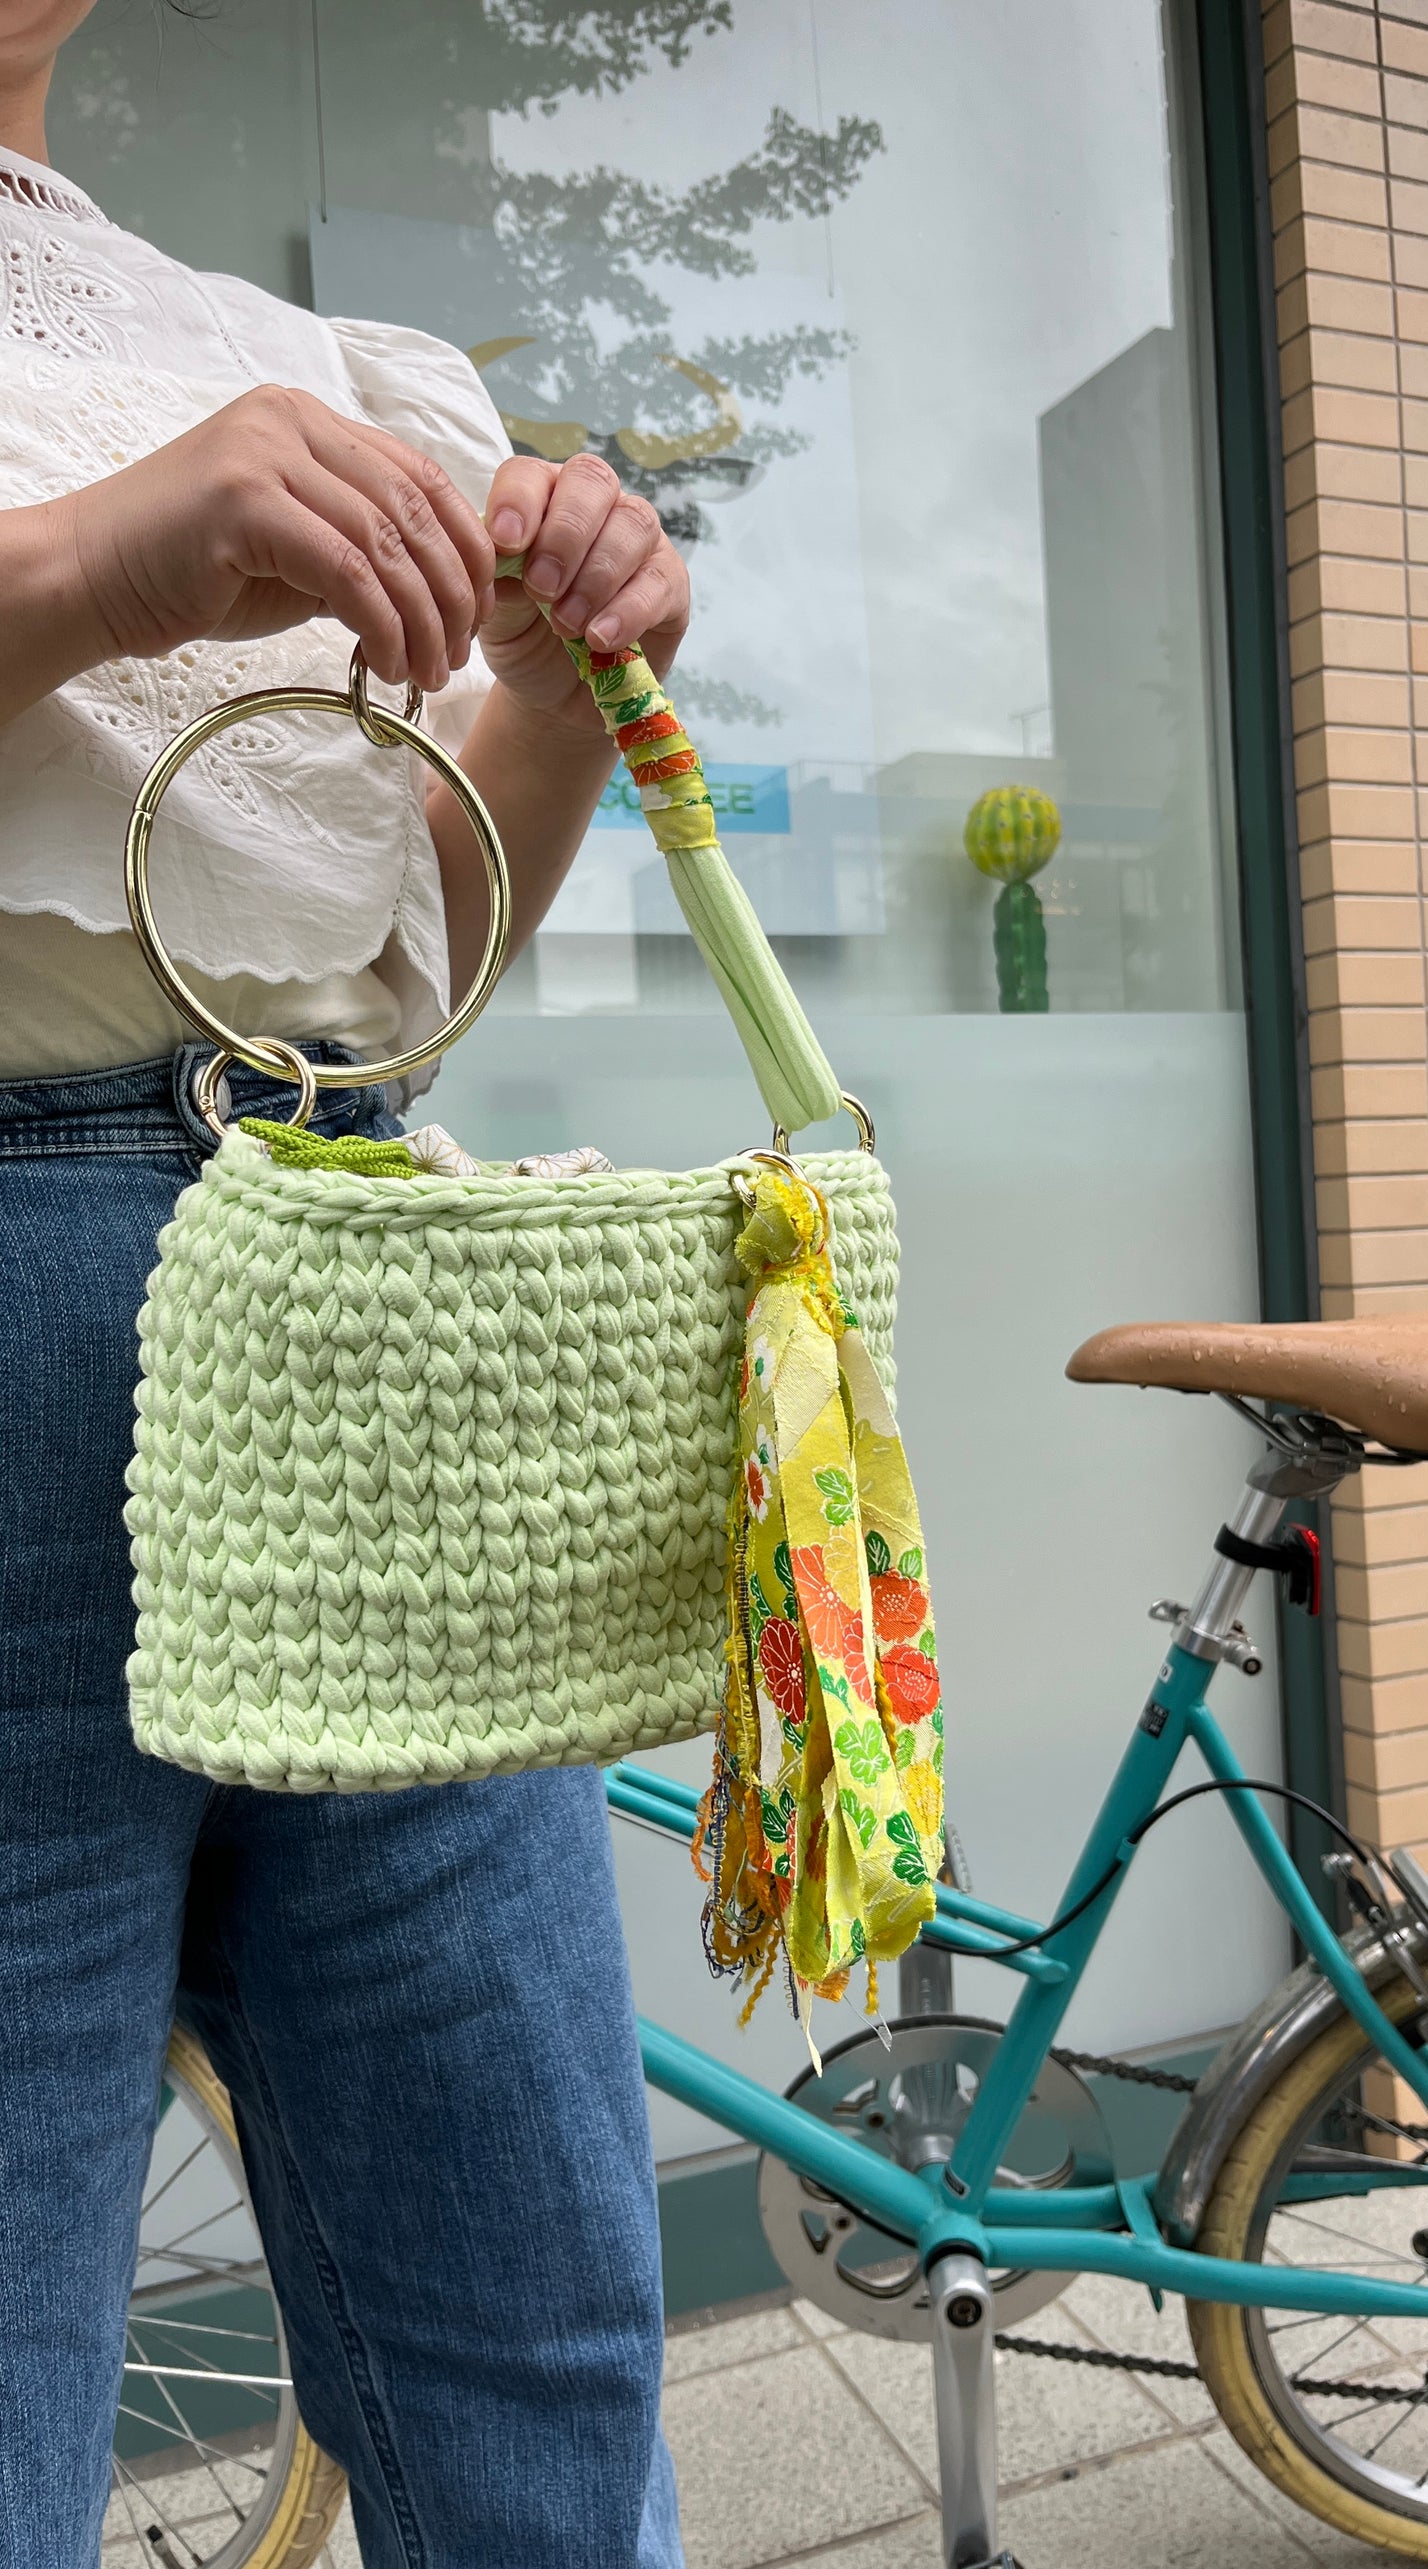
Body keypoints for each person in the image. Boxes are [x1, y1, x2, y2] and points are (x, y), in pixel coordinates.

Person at [0, 4, 691, 2562]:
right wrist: (103, 561)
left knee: (534, 2305)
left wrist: (559, 694)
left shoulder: (282, 352)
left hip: (362, 1265)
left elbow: (409, 957)